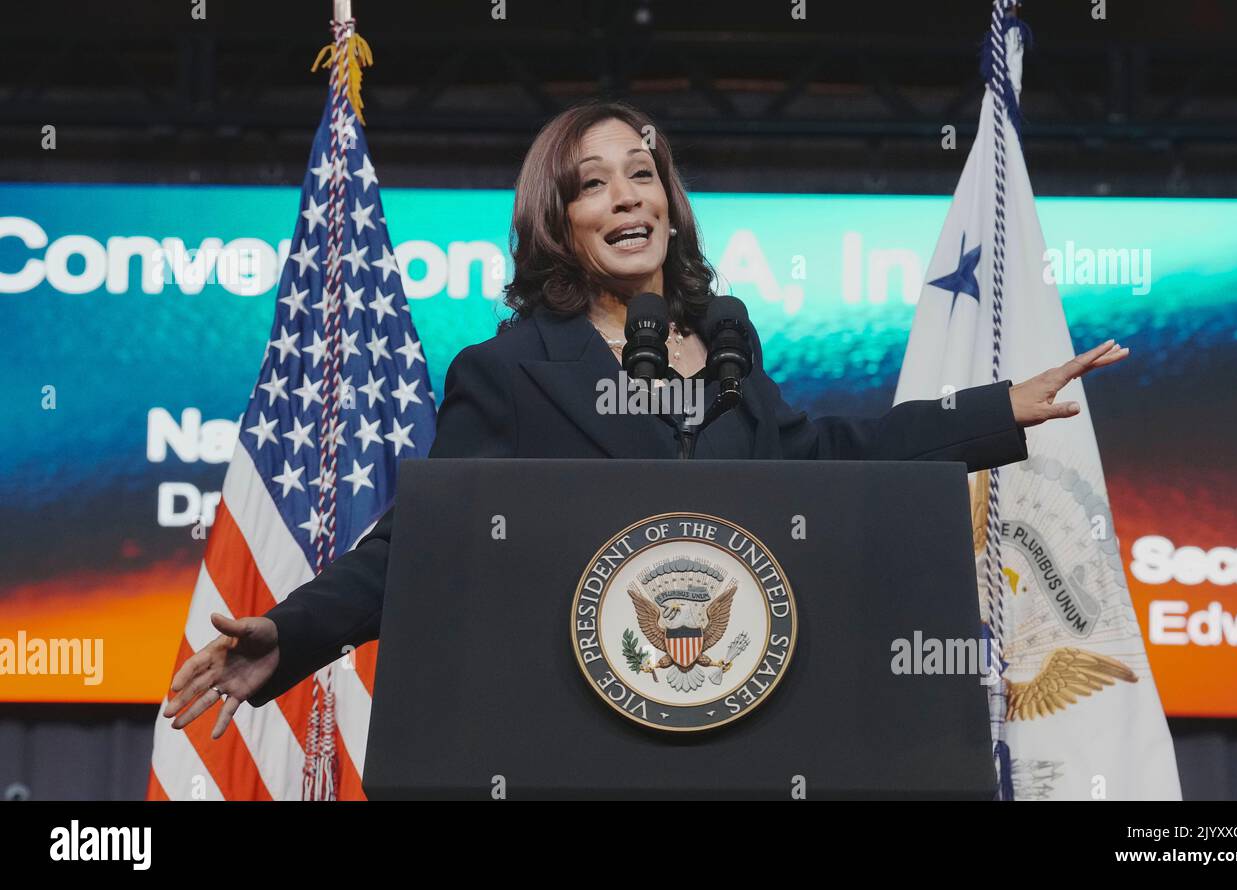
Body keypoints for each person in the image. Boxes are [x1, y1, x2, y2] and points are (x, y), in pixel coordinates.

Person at [164, 99, 1128, 739]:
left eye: (642, 173)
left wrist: (999, 409)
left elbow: (829, 455)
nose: (626, 196)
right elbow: (418, 537)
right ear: (561, 218)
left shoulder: (731, 351)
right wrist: (291, 634)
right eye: (593, 182)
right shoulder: (506, 375)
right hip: (575, 732)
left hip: (746, 725)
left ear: (670, 200)